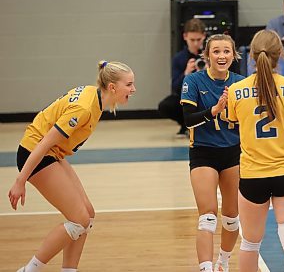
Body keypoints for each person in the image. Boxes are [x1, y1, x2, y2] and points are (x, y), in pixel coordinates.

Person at [8, 61, 136, 272]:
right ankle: (29, 270)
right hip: (36, 152)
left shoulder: (93, 96)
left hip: (52, 154)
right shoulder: (84, 109)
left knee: (87, 215)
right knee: (79, 220)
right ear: (112, 87)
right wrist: (20, 180)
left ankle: (69, 270)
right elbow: (45, 142)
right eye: (129, 84)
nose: (133, 89)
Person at [227, 30, 284, 272]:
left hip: (253, 175)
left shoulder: (235, 90)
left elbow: (235, 126)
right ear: (280, 54)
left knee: (250, 245)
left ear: (250, 55)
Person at [180, 34, 244, 272]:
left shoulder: (240, 82)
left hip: (233, 153)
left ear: (233, 55)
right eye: (216, 51)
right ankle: (206, 268)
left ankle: (223, 263)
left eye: (226, 51)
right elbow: (187, 120)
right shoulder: (193, 81)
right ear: (207, 55)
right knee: (207, 216)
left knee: (231, 217)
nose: (222, 56)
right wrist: (215, 109)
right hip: (203, 153)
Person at [159, 18, 206, 137]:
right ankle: (186, 124)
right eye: (192, 40)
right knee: (166, 105)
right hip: (187, 97)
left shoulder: (211, 54)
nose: (196, 43)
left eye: (199, 39)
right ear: (185, 36)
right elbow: (175, 87)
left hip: (207, 95)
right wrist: (186, 73)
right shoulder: (179, 58)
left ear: (204, 36)